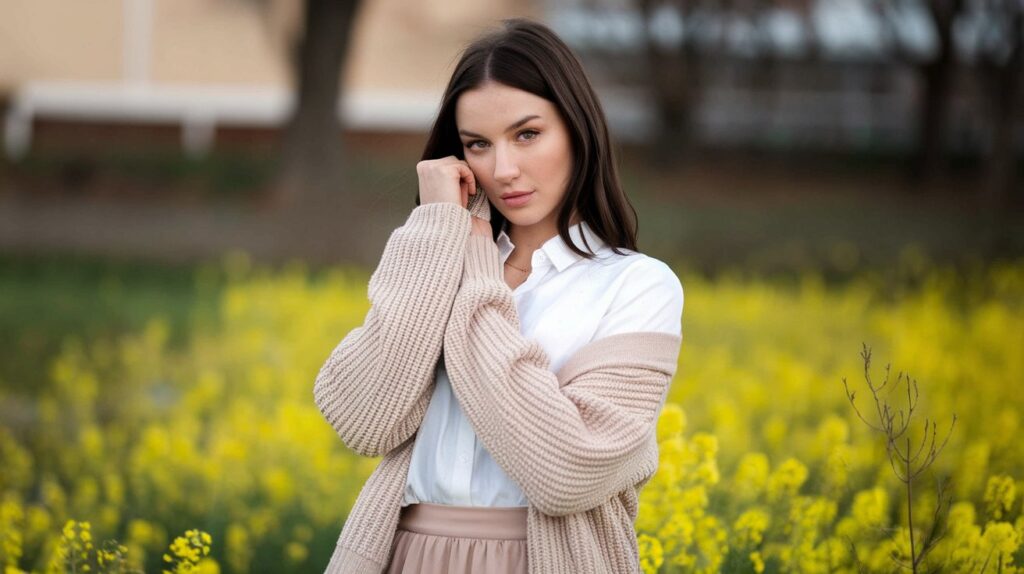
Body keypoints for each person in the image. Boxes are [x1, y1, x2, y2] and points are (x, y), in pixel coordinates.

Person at [313, 17, 684, 574]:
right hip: (402, 554)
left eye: (527, 134)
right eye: (478, 145)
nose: (504, 169)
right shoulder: (437, 260)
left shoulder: (637, 286)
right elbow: (366, 420)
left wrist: (479, 281)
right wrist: (437, 228)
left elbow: (565, 472)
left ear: (577, 129)